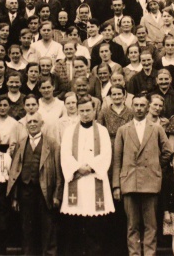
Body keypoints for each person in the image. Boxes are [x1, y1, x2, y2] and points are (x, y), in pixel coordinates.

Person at [112, 94, 173, 256]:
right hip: (129, 182)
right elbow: (117, 159)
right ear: (132, 107)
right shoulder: (123, 130)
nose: (139, 108)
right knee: (132, 225)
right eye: (136, 105)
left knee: (150, 225)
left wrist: (155, 166)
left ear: (147, 108)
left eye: (142, 105)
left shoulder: (156, 128)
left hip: (150, 183)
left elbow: (168, 151)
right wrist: (116, 186)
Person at [60, 95, 114, 255]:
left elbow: (106, 154)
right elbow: (65, 154)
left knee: (95, 228)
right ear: (77, 111)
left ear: (94, 110)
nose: (85, 114)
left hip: (95, 181)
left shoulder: (102, 131)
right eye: (81, 111)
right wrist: (77, 168)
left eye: (88, 110)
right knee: (75, 227)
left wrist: (90, 168)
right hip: (76, 181)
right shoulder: (69, 131)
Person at [7, 114, 62, 256]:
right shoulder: (20, 143)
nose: (32, 124)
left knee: (48, 227)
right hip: (25, 191)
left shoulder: (52, 143)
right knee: (27, 227)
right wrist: (15, 196)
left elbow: (58, 171)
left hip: (45, 191)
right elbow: (15, 170)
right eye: (29, 122)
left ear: (42, 123)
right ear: (25, 125)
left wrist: (57, 194)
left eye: (35, 121)